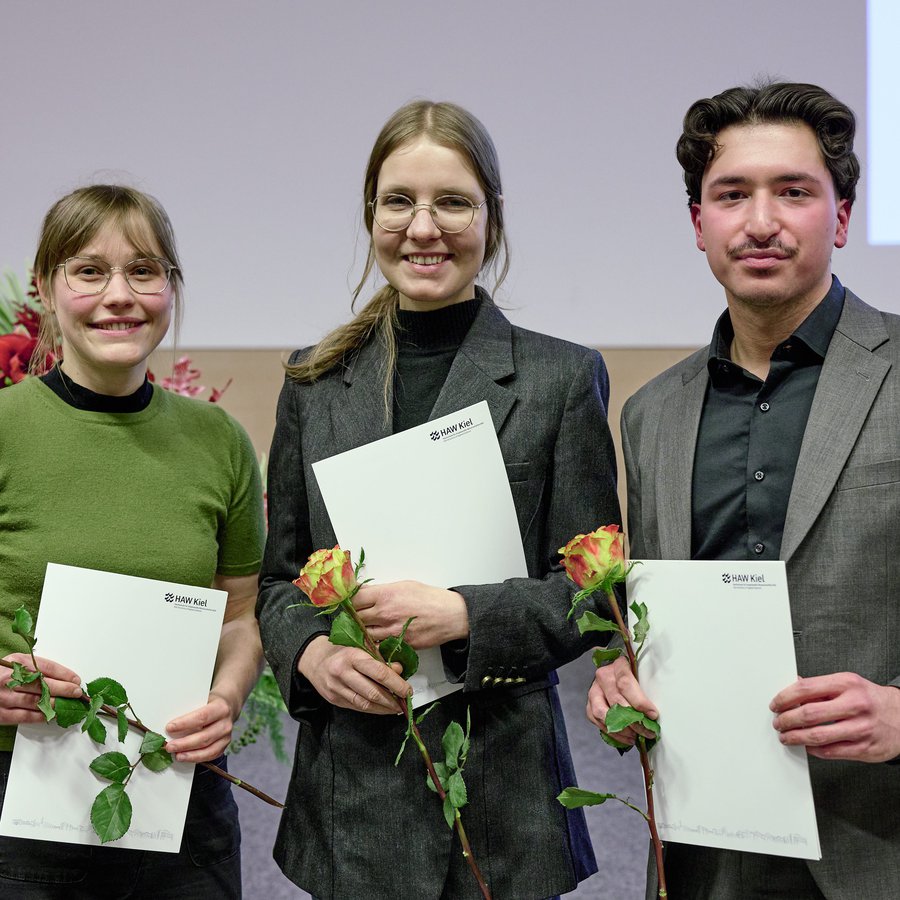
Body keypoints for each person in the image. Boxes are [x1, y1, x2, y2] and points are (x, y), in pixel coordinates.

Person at [257, 100, 621, 900]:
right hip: (352, 791)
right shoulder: (312, 384)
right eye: (399, 202)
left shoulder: (561, 380)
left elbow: (595, 597)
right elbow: (279, 581)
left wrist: (468, 616)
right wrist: (312, 655)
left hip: (505, 794)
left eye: (453, 202)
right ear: (371, 217)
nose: (425, 228)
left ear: (491, 217)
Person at [588, 80, 900, 899]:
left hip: (878, 841)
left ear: (839, 216)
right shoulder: (651, 415)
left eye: (793, 192)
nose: (761, 221)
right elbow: (654, 616)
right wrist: (622, 674)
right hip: (706, 855)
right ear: (700, 224)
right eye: (732, 195)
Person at [0, 185, 266, 898]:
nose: (120, 295)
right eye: (90, 271)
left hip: (179, 796)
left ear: (170, 288)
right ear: (46, 288)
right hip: (20, 809)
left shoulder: (220, 443)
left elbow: (240, 613)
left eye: (144, 271)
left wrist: (227, 697)